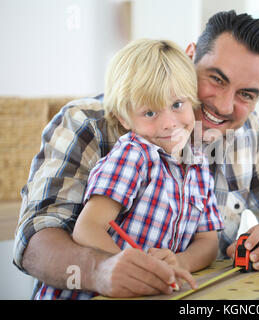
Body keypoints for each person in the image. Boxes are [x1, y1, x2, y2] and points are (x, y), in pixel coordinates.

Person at [14, 10, 259, 299]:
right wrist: (102, 270)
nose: (224, 106)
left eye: (246, 94)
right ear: (190, 56)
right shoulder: (88, 123)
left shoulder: (243, 136)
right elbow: (34, 240)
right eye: (216, 79)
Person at [32, 39, 224, 299]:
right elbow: (88, 228)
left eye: (177, 104)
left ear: (193, 100)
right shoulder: (133, 156)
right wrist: (133, 268)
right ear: (124, 118)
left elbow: (208, 242)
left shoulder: (199, 165)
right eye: (150, 113)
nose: (168, 123)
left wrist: (179, 262)